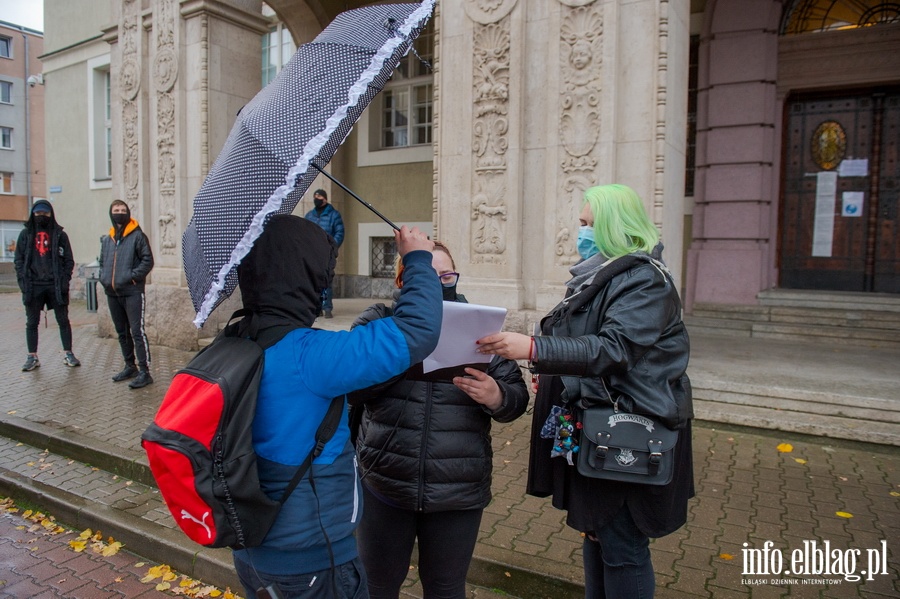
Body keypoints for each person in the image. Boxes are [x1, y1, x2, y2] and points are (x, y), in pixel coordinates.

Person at [476, 184, 693, 599]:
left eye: (586, 223)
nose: (580, 232)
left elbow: (616, 348)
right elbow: (587, 342)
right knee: (598, 535)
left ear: (613, 225)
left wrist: (535, 348)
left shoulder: (645, 280)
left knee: (623, 546)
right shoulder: (602, 274)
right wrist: (557, 375)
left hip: (630, 431)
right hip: (601, 429)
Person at [231, 215, 442, 599]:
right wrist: (417, 261)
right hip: (313, 564)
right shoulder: (310, 355)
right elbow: (415, 331)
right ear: (304, 277)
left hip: (251, 552)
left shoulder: (234, 342)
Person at [349, 242, 529, 599]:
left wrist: (498, 396)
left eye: (446, 276)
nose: (440, 284)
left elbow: (516, 398)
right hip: (385, 482)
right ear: (404, 280)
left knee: (445, 587)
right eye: (427, 276)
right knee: (377, 585)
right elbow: (350, 388)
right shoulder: (378, 323)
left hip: (457, 489)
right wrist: (403, 353)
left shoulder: (481, 329)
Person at [14, 199, 81, 371]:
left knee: (63, 320)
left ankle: (68, 353)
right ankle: (32, 356)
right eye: (38, 213)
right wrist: (23, 281)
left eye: (45, 213)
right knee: (32, 322)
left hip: (55, 285)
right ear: (33, 214)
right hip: (33, 285)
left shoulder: (59, 235)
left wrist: (64, 280)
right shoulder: (26, 234)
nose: (41, 216)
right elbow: (19, 261)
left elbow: (68, 260)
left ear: (51, 214)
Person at [99, 200, 155, 389]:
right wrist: (104, 278)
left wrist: (131, 277)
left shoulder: (138, 236)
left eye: (123, 210)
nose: (119, 213)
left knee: (136, 331)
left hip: (132, 292)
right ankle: (129, 366)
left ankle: (144, 371)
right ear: (110, 213)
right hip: (112, 293)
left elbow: (148, 261)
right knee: (122, 332)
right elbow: (102, 262)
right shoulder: (108, 239)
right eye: (116, 210)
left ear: (128, 213)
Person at [304, 188, 344, 318]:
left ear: (325, 199)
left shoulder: (334, 215)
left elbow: (339, 232)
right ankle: (316, 308)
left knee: (326, 280)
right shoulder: (310, 215)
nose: (316, 199)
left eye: (319, 197)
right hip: (312, 252)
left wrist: (332, 247)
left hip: (326, 253)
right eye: (315, 196)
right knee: (313, 280)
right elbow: (304, 231)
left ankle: (327, 308)